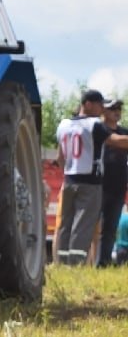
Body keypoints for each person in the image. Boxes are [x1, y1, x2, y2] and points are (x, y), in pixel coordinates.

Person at [54, 89, 128, 265]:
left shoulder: (63, 124)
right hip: (90, 182)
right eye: (100, 105)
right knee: (84, 226)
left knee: (66, 224)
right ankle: (76, 263)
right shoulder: (93, 124)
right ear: (88, 104)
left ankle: (62, 262)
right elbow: (117, 141)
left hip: (70, 180)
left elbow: (60, 157)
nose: (102, 109)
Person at [98, 97, 128, 267]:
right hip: (98, 185)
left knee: (110, 229)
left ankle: (104, 263)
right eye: (112, 108)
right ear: (103, 111)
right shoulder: (98, 129)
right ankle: (79, 263)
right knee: (91, 228)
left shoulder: (124, 131)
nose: (117, 111)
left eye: (119, 108)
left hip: (118, 186)